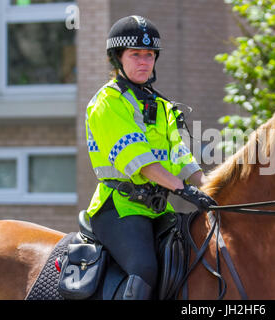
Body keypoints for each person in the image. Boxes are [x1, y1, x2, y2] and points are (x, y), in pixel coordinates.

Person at [84, 15, 216, 300]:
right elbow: (142, 163)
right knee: (145, 268)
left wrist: (212, 189)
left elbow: (182, 158)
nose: (144, 61)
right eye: (135, 55)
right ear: (118, 58)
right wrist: (183, 190)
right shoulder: (107, 103)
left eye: (149, 55)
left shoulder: (162, 105)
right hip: (118, 209)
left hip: (157, 209)